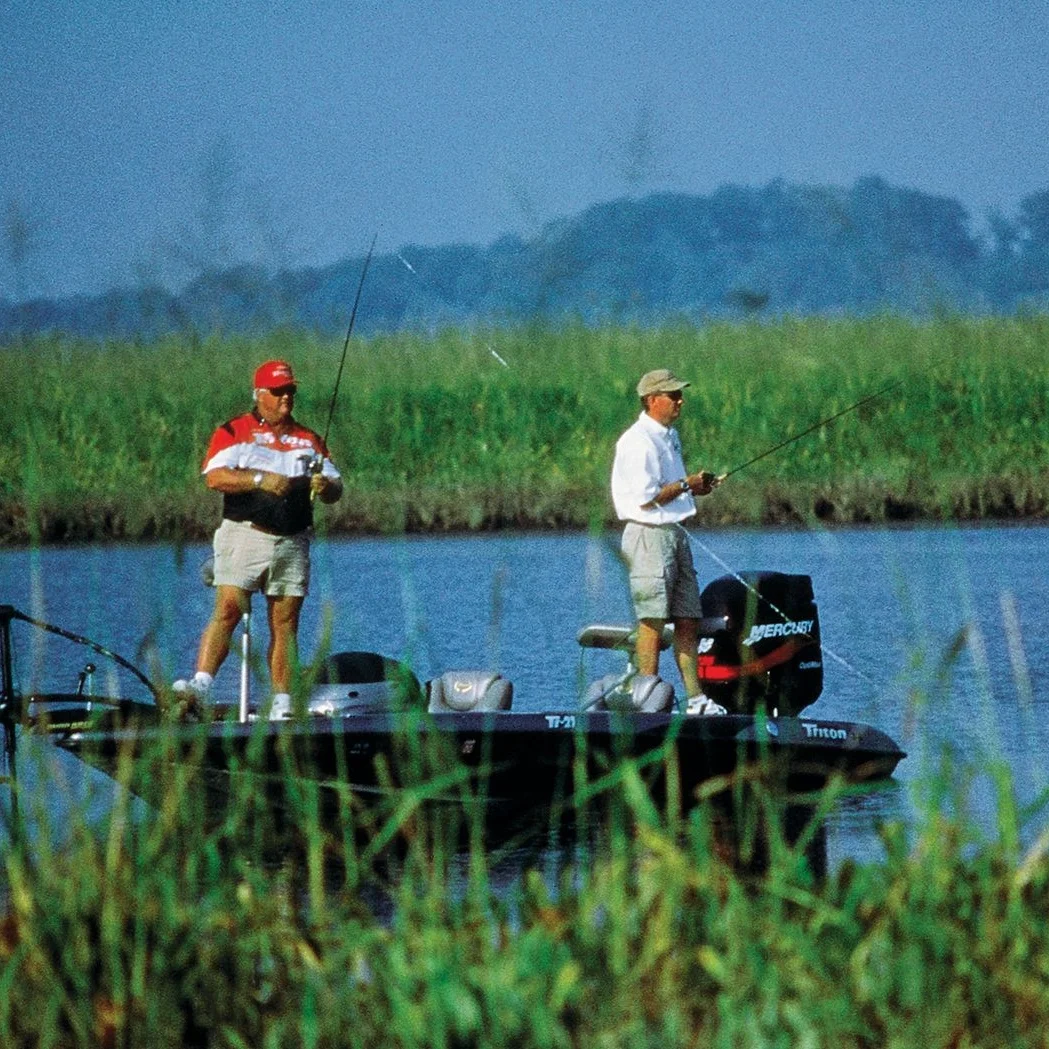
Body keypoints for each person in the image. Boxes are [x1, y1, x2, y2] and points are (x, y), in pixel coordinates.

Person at [174, 359, 343, 716]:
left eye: (291, 392)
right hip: (245, 534)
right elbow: (215, 477)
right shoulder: (235, 431)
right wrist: (258, 480)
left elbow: (335, 490)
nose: (286, 399)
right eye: (279, 392)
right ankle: (201, 685)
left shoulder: (309, 439)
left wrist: (324, 486)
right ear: (260, 394)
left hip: (293, 540)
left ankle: (282, 702)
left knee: (285, 624)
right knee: (229, 610)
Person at [610, 368, 726, 714]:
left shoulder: (668, 436)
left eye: (679, 394)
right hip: (648, 536)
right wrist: (687, 483)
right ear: (651, 400)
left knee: (688, 619)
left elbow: (670, 489)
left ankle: (695, 700)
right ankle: (648, 699)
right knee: (653, 621)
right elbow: (646, 498)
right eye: (673, 395)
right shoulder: (636, 442)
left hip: (675, 535)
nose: (680, 401)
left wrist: (695, 486)